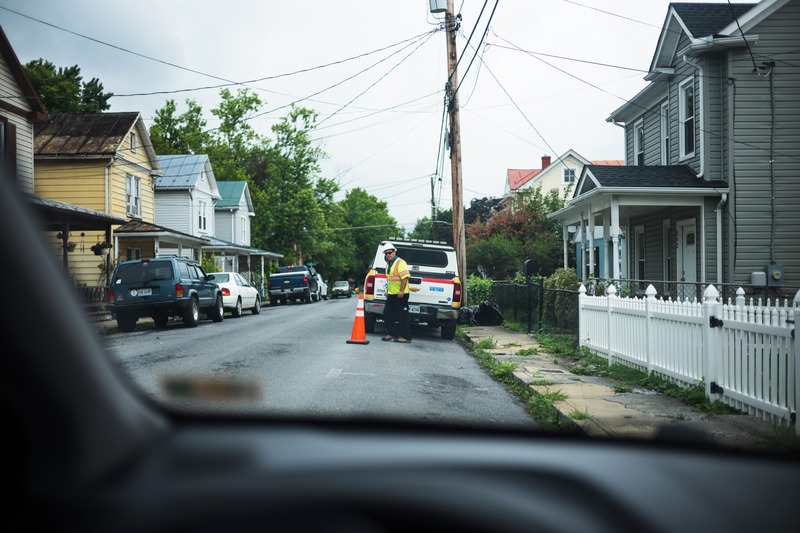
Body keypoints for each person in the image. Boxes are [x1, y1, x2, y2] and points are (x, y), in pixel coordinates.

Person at [381, 242, 411, 343]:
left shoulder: (400, 262)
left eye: (390, 252)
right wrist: (388, 291)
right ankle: (392, 333)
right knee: (387, 314)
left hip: (401, 294)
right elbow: (390, 280)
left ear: (394, 252)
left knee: (402, 316)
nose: (388, 255)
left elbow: (405, 277)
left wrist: (401, 291)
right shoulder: (388, 264)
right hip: (391, 294)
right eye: (386, 253)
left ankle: (406, 337)